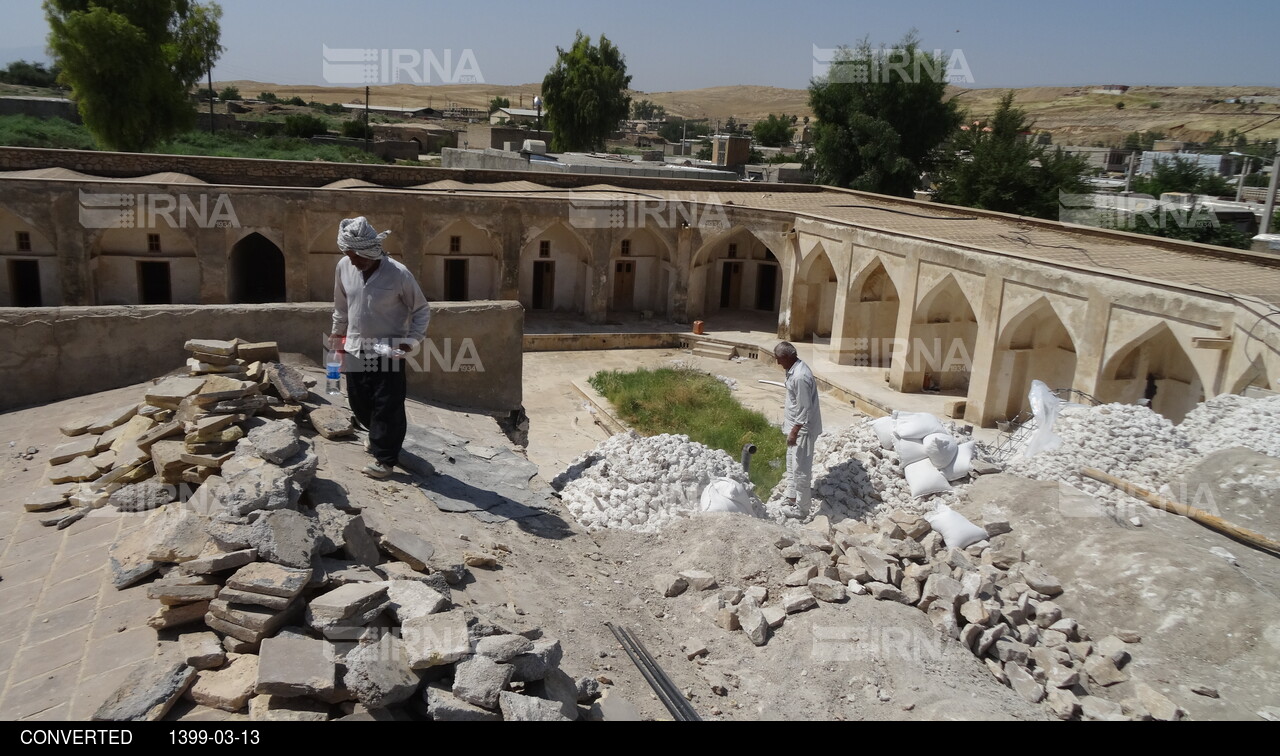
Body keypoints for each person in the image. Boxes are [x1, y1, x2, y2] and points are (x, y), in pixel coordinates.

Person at [331, 216, 431, 479]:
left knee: (387, 405)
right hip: (355, 348)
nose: (353, 261)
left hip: (388, 352)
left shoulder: (398, 273)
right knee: (360, 402)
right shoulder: (344, 266)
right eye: (349, 255)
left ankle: (385, 460)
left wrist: (412, 340)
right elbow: (341, 307)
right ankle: (377, 440)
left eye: (357, 257)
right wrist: (336, 336)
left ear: (370, 252)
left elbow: (421, 309)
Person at [775, 341, 822, 515]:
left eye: (779, 359)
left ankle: (802, 510)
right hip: (794, 427)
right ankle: (792, 496)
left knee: (800, 469)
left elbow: (804, 408)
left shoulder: (800, 376)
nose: (778, 363)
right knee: (791, 463)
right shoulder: (793, 369)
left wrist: (794, 432)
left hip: (802, 430)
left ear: (788, 357)